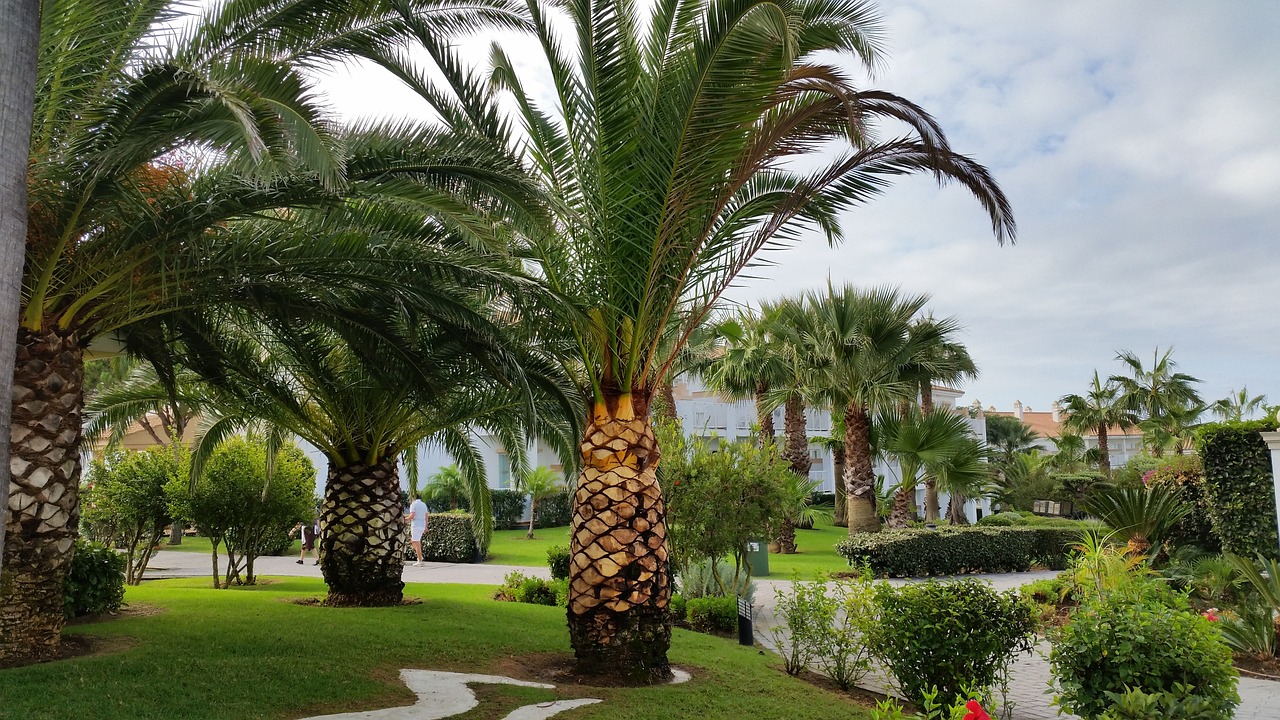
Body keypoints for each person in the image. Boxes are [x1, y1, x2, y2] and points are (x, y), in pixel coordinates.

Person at [406, 494, 429, 567]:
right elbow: (426, 516)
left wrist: (404, 519)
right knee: (413, 541)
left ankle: (420, 560)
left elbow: (412, 515)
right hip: (422, 525)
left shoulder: (413, 504)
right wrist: (426, 527)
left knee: (416, 542)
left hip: (416, 525)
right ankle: (420, 556)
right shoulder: (424, 505)